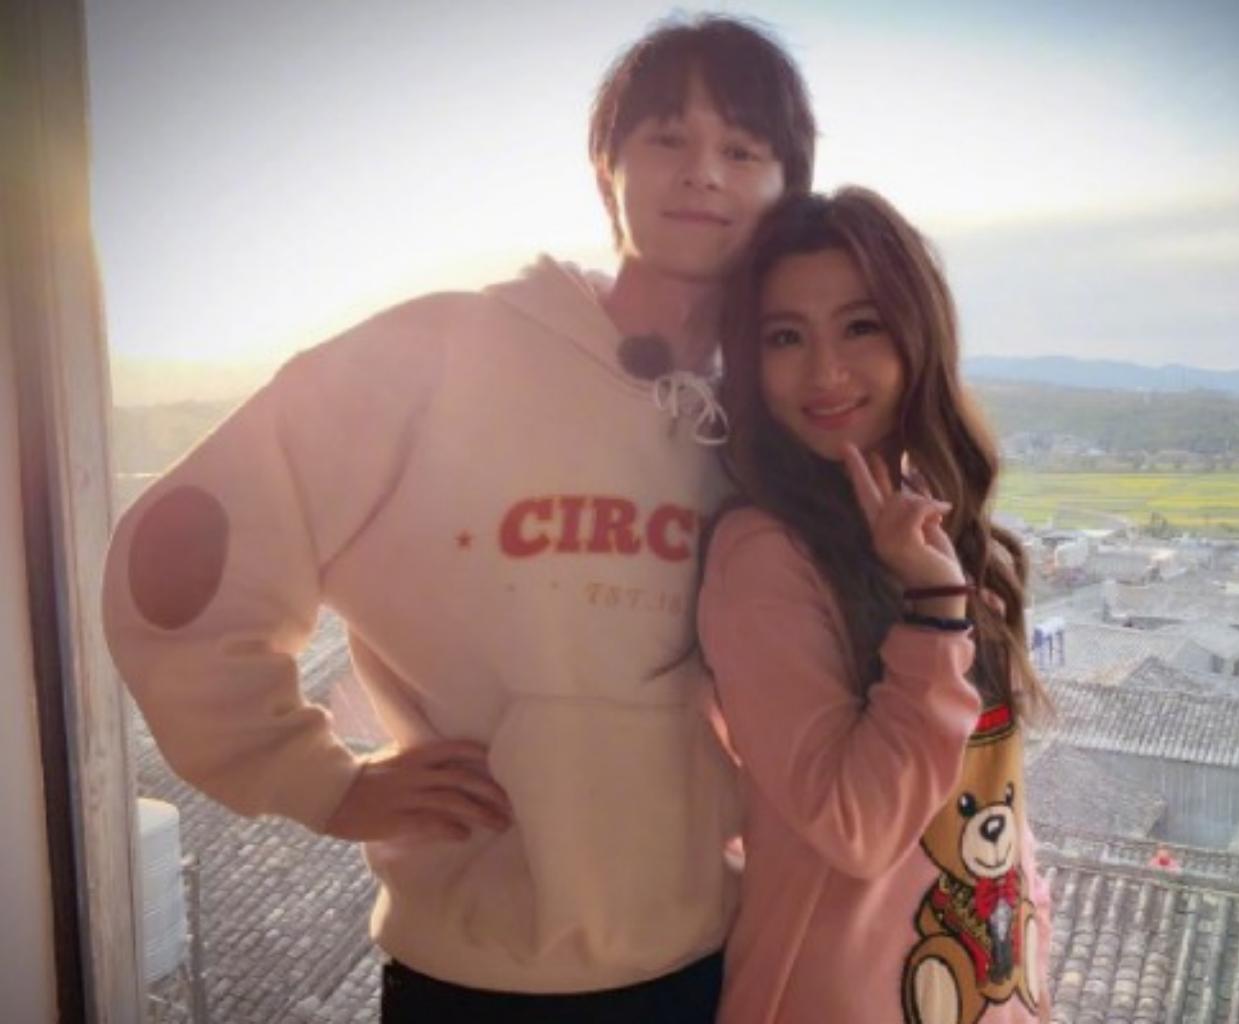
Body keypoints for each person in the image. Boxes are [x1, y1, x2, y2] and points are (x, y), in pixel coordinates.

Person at [100, 15, 814, 1023]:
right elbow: (183, 553)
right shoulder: (443, 352)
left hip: (702, 960)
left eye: (742, 150)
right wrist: (317, 778)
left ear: (788, 187)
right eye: (668, 137)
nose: (704, 171)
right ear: (606, 164)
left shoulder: (770, 422)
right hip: (473, 971)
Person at [698, 187, 1054, 1023]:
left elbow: (988, 797)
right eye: (786, 337)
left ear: (915, 334)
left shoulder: (924, 520)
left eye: (860, 327)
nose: (825, 372)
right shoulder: (765, 555)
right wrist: (933, 612)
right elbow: (857, 826)